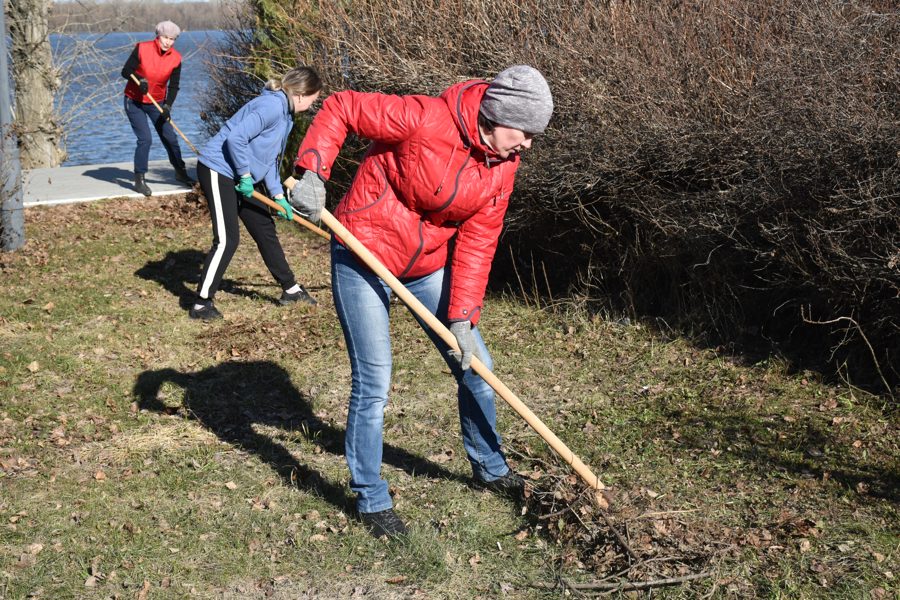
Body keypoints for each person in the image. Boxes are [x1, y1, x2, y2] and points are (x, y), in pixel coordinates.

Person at [288, 65, 554, 538]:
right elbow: (343, 107)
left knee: (476, 368)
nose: (529, 145)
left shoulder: (503, 167)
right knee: (375, 381)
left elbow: (478, 242)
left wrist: (464, 316)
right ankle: (370, 498)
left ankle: (490, 469)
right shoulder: (425, 119)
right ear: (497, 116)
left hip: (427, 266)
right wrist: (312, 170)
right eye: (526, 131)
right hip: (362, 253)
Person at [189, 67, 322, 320]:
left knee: (264, 228)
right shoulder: (271, 107)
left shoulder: (286, 115)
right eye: (313, 100)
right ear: (302, 95)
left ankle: (290, 289)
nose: (311, 106)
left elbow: (268, 159)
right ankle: (201, 304)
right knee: (228, 239)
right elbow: (235, 139)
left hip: (239, 175)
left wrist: (277, 196)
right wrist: (245, 176)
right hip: (218, 169)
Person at [121, 20, 195, 196]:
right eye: (165, 38)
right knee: (145, 139)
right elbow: (126, 71)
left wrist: (168, 105)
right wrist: (139, 80)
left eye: (172, 39)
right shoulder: (142, 48)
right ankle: (140, 179)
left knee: (170, 137)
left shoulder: (176, 59)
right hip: (135, 101)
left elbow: (174, 86)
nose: (168, 42)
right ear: (158, 36)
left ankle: (180, 171)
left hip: (157, 102)